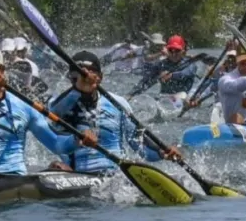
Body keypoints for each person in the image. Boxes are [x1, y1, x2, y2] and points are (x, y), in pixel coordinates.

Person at [0, 43, 92, 174]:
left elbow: (55, 143)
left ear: (2, 71)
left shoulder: (23, 106)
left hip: (14, 180)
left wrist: (77, 139)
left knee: (56, 165)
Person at [48, 51, 180, 173]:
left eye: (90, 74)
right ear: (70, 78)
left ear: (100, 77)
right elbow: (57, 144)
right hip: (77, 175)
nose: (84, 79)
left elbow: (139, 144)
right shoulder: (60, 104)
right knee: (55, 166)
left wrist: (162, 152)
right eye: (77, 77)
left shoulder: (118, 103)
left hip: (114, 177)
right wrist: (76, 139)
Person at [133, 34, 200, 96]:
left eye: (177, 50)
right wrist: (131, 95)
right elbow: (146, 82)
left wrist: (171, 75)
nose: (174, 54)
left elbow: (186, 73)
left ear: (183, 51)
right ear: (167, 50)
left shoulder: (190, 64)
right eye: (171, 50)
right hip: (164, 100)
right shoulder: (160, 65)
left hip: (184, 100)